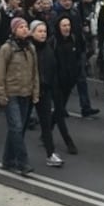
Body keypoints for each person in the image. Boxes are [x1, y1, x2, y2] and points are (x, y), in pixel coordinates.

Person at [0, 17, 39, 175]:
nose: (24, 29)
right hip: (11, 93)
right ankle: (22, 162)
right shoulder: (6, 49)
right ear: (14, 30)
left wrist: (35, 91)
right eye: (21, 27)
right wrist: (1, 94)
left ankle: (7, 160)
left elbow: (35, 72)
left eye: (26, 26)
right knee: (16, 127)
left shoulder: (30, 48)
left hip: (25, 93)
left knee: (17, 129)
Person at [26, 20, 65, 167]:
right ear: (32, 32)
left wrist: (53, 88)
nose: (43, 34)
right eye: (39, 31)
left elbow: (53, 68)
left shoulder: (49, 48)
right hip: (29, 91)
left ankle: (50, 153)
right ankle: (16, 152)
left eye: (44, 31)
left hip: (44, 91)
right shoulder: (28, 49)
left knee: (46, 123)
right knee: (22, 125)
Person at [49, 16, 79, 155]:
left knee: (59, 110)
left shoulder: (73, 39)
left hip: (68, 82)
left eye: (68, 25)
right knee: (60, 111)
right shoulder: (53, 42)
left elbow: (77, 58)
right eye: (64, 25)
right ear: (58, 27)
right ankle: (68, 141)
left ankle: (46, 132)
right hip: (56, 83)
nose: (67, 28)